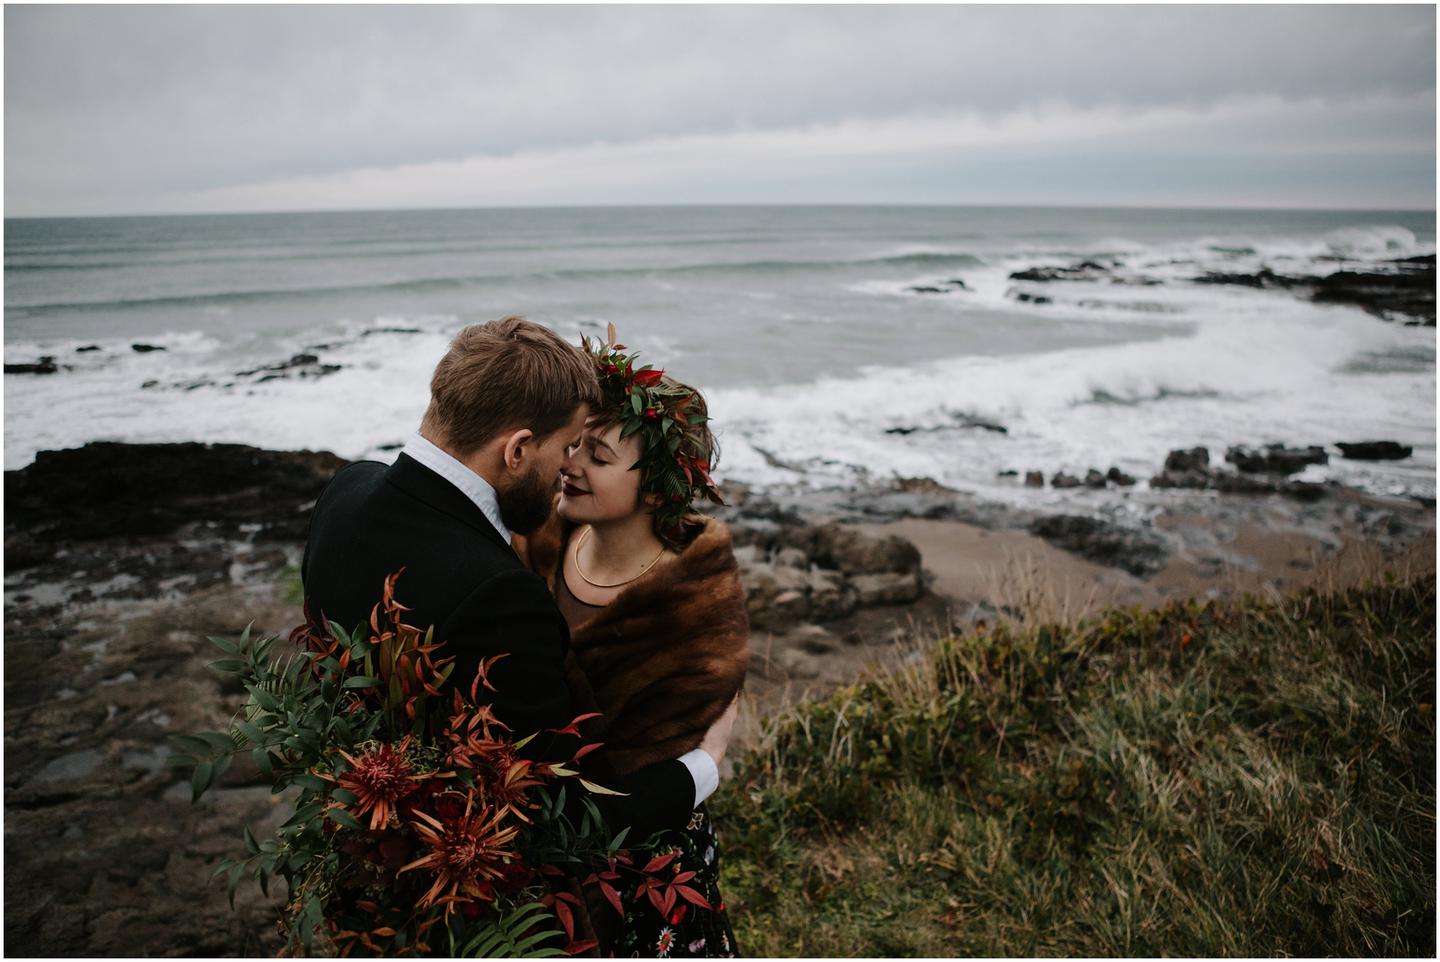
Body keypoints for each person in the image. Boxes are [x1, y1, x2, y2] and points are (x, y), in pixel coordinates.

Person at [301, 315, 738, 850]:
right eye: (565, 449)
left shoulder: (344, 493)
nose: (566, 468)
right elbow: (563, 821)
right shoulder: (501, 596)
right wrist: (705, 764)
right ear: (517, 450)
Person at [511, 328, 749, 958]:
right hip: (539, 832)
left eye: (600, 457)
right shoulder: (541, 542)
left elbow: (694, 712)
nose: (570, 465)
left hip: (649, 853)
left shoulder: (691, 597)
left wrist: (701, 767)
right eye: (576, 446)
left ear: (657, 487)